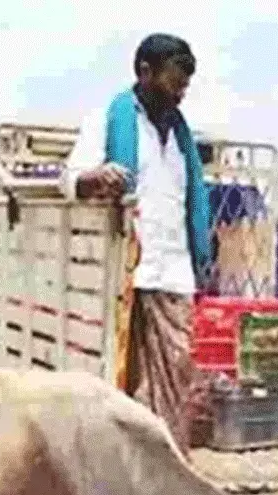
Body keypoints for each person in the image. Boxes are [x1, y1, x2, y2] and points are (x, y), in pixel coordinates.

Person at [63, 32, 213, 454]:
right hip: (123, 272)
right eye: (174, 82)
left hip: (173, 270)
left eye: (185, 86)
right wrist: (96, 177)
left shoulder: (182, 137)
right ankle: (124, 463)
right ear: (145, 72)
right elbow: (69, 180)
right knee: (121, 374)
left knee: (176, 370)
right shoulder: (107, 120)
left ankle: (167, 462)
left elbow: (190, 201)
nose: (180, 94)